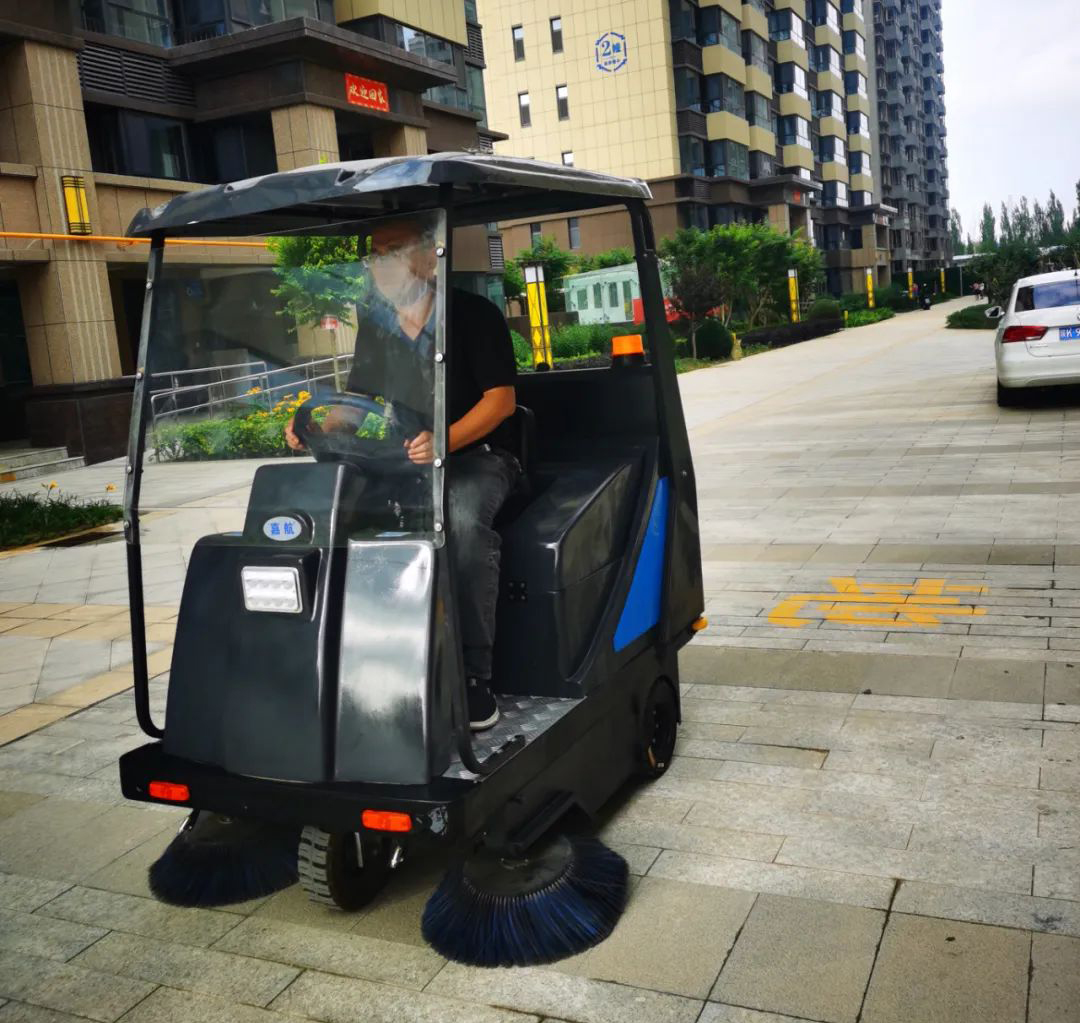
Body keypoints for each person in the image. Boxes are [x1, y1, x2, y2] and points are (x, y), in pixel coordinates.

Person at [285, 217, 519, 731]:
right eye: (374, 254)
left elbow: (500, 402)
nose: (380, 263)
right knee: (341, 515)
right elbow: (358, 400)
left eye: (391, 250)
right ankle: (355, 659)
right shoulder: (378, 326)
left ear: (428, 256)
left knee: (459, 524)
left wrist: (445, 441)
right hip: (404, 457)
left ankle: (473, 675)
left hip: (476, 455)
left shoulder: (473, 315)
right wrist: (316, 428)